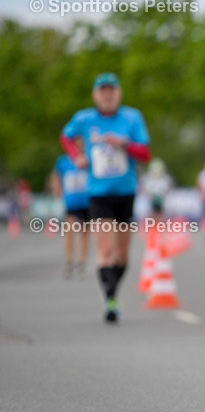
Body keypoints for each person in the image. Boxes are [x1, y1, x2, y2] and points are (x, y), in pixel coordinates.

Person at [61, 72, 151, 323]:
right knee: (106, 249)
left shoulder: (132, 118)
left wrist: (125, 144)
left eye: (111, 90)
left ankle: (114, 290)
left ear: (119, 93)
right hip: (98, 193)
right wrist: (76, 156)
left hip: (126, 192)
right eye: (102, 90)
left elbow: (145, 153)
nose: (107, 94)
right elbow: (66, 137)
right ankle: (110, 299)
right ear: (95, 95)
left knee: (122, 256)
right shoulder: (85, 119)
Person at [51, 142, 91, 278]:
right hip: (71, 201)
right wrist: (57, 189)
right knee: (70, 230)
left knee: (84, 231)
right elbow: (56, 176)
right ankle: (70, 261)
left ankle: (82, 262)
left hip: (86, 200)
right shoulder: (63, 161)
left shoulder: (88, 159)